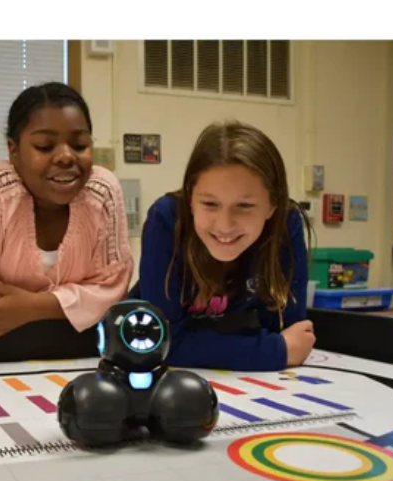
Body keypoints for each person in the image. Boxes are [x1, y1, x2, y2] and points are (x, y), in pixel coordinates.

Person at [0, 82, 134, 339]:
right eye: (44, 146)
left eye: (79, 145)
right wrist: (74, 304)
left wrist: (33, 307)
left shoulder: (102, 191)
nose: (66, 156)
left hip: (78, 350)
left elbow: (112, 290)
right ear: (13, 150)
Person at [132, 120, 315, 371]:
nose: (225, 225)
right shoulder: (167, 219)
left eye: (245, 206)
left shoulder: (285, 223)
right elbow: (161, 341)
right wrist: (274, 350)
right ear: (190, 200)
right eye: (210, 204)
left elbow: (295, 335)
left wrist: (197, 345)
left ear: (273, 205)